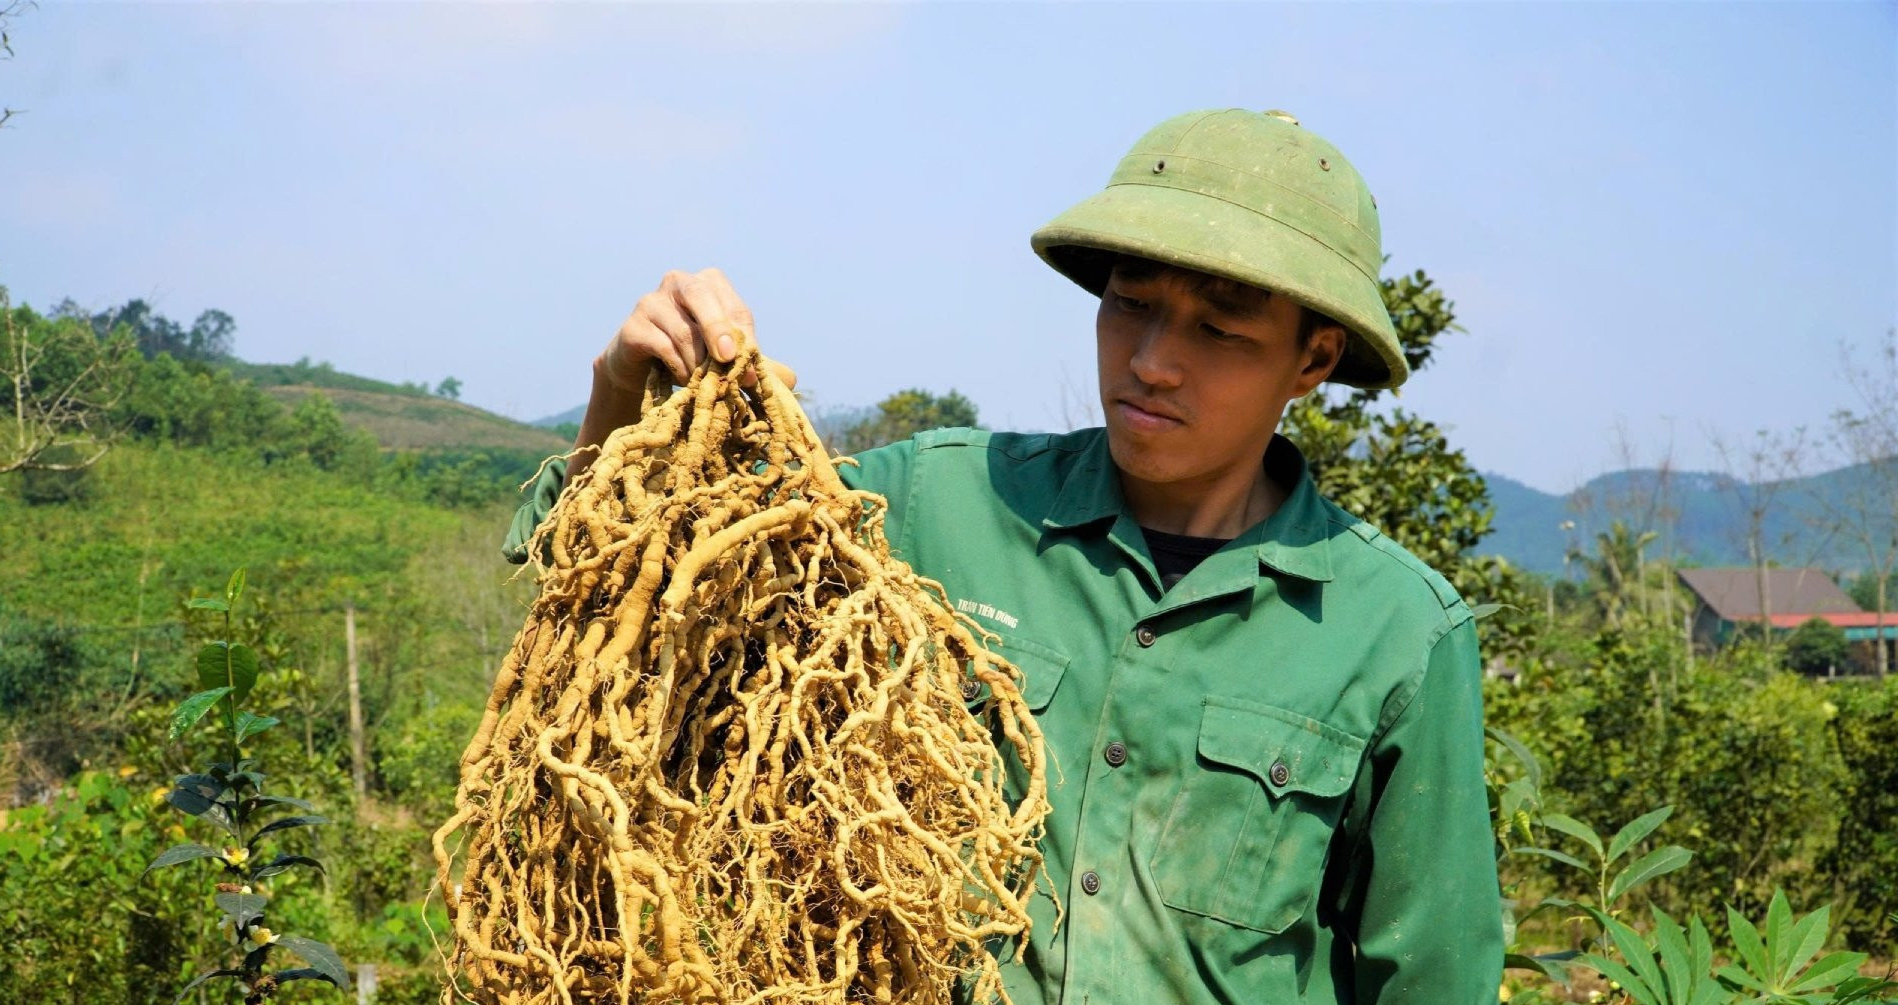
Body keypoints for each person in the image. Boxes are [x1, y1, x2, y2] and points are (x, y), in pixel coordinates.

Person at [505, 108, 1504, 1005]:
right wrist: (620, 392)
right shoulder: (939, 503)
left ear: (1314, 361)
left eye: (1220, 330)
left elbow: (1431, 977)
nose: (1154, 359)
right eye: (1130, 304)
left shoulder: (1397, 632)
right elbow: (602, 594)